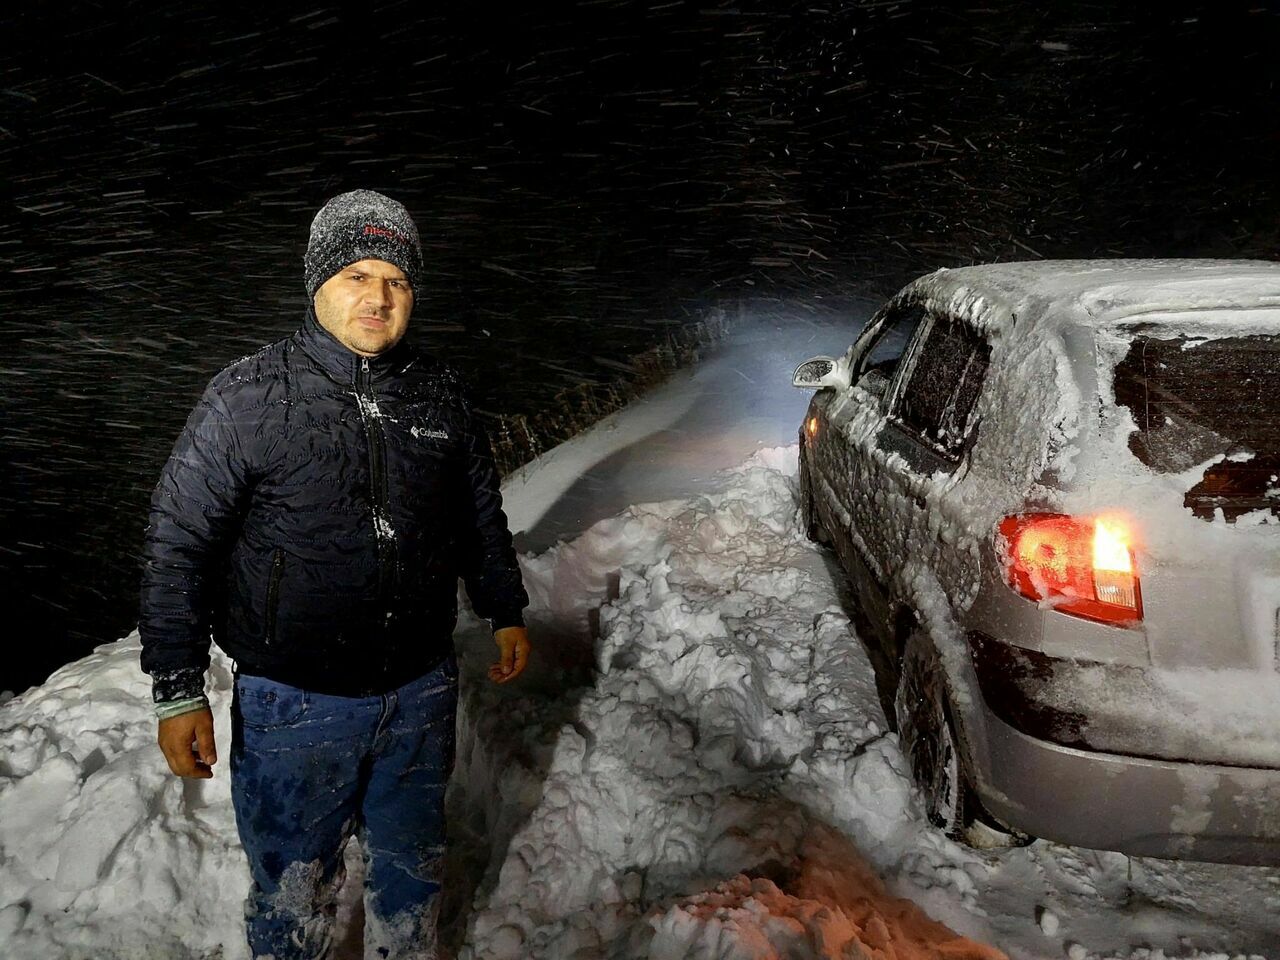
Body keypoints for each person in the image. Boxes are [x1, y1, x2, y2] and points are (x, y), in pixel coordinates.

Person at [139, 189, 530, 960]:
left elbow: (477, 517)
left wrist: (503, 606)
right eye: (357, 275)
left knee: (411, 877)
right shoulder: (247, 398)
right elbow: (178, 542)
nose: (379, 297)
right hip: (295, 705)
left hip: (420, 691)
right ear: (317, 283)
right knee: (294, 897)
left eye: (397, 280)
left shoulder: (440, 395)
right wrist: (179, 688)